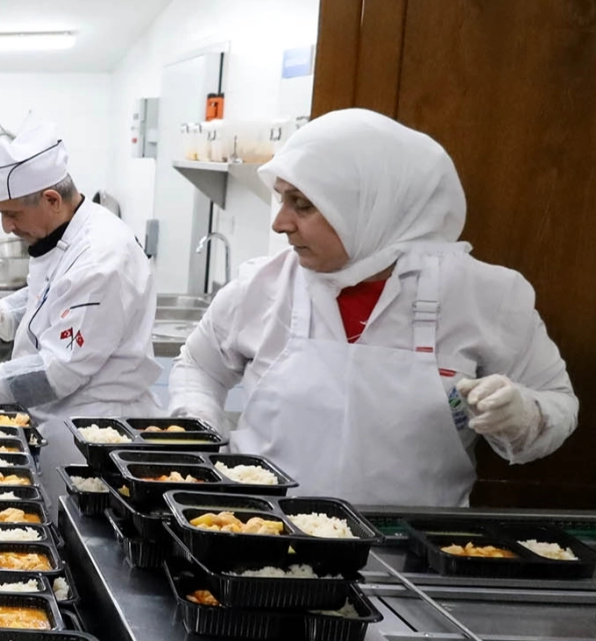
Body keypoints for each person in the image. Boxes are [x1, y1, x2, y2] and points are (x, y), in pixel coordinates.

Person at [168, 108, 576, 506]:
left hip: (410, 541)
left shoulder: (484, 295)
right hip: (259, 526)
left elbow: (557, 402)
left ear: (369, 208)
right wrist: (199, 427)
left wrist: (524, 416)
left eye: (302, 204)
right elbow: (199, 366)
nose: (281, 223)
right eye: (282, 200)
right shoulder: (263, 285)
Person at [0, 124, 161, 463]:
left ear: (51, 199)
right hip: (57, 420)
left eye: (12, 214)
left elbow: (57, 372)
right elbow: (51, 295)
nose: (6, 227)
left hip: (92, 437)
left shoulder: (101, 258)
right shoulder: (70, 232)